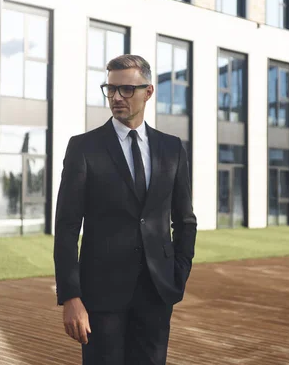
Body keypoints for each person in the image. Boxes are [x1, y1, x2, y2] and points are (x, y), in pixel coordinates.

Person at [53, 54, 197, 365]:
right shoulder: (83, 148)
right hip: (100, 296)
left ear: (148, 92)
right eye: (111, 89)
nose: (117, 97)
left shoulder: (172, 149)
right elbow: (66, 227)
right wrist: (70, 297)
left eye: (127, 90)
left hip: (157, 292)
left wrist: (178, 273)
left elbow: (185, 220)